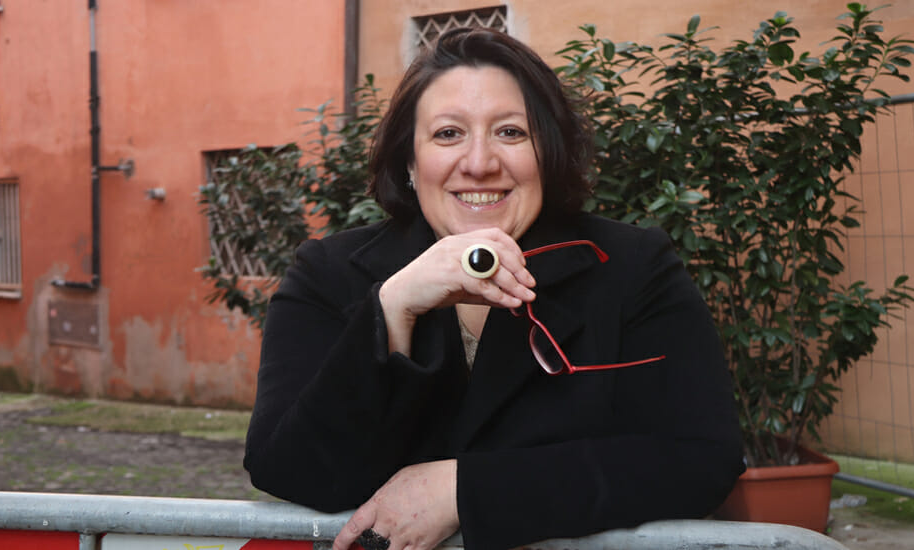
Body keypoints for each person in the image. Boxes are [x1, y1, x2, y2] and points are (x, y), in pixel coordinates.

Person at [244, 27, 744, 550]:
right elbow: (286, 466)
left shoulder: (634, 267)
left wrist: (463, 490)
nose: (480, 163)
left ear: (548, 152)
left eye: (510, 132)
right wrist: (391, 311)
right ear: (410, 161)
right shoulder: (326, 273)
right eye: (448, 134)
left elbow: (700, 458)